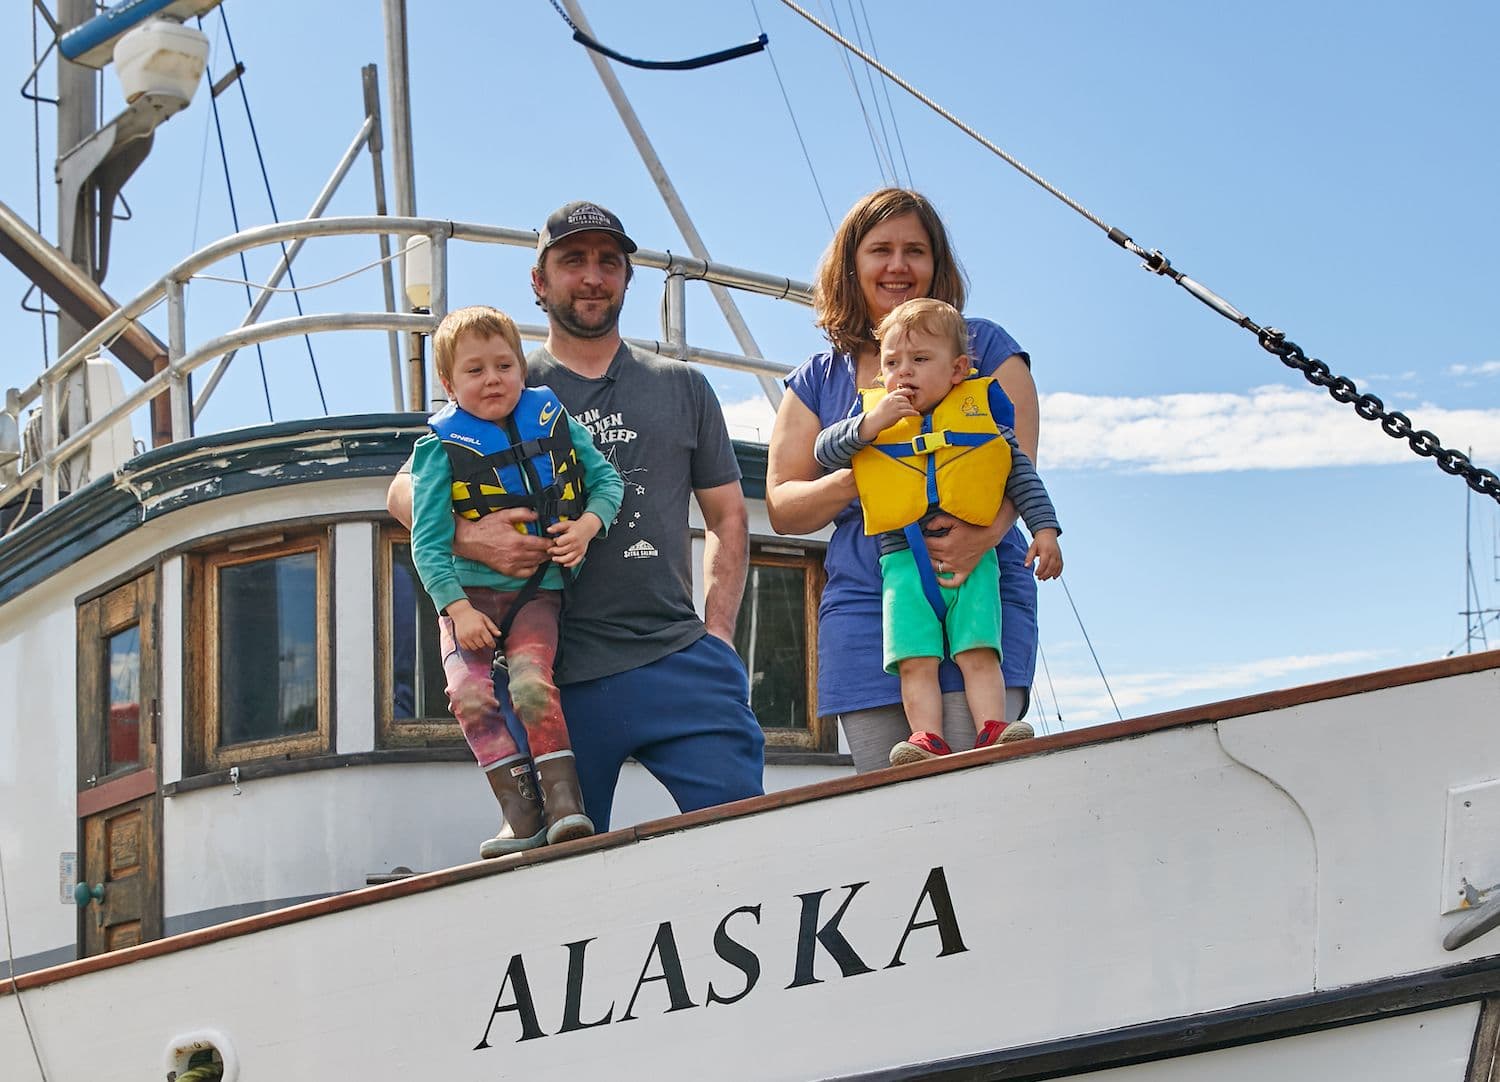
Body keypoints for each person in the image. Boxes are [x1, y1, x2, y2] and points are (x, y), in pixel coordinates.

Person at [388, 200, 765, 831]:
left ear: (625, 278)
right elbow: (400, 494)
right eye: (572, 261)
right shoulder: (500, 377)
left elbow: (728, 517)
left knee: (748, 841)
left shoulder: (684, 387)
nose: (592, 276)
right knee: (561, 873)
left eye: (607, 262)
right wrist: (476, 541)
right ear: (539, 281)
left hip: (677, 655)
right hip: (554, 677)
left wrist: (720, 636)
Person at [766, 188, 1045, 772]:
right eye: (880, 250)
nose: (898, 266)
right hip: (871, 602)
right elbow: (785, 507)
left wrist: (982, 538)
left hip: (977, 583)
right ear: (852, 265)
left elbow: (1018, 466)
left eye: (915, 250)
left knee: (981, 776)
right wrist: (864, 475)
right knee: (890, 788)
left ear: (936, 264)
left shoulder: (986, 346)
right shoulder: (817, 379)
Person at [410, 304, 623, 857]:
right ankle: (520, 813)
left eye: (504, 365)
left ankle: (566, 808)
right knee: (470, 696)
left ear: (522, 370)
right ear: (448, 383)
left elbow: (607, 482)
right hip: (468, 599)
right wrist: (456, 609)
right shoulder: (438, 448)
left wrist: (587, 525)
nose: (492, 380)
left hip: (539, 593)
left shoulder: (554, 420)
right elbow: (428, 541)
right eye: (474, 370)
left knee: (531, 683)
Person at [813, 298, 1061, 765]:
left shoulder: (984, 424)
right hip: (901, 564)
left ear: (958, 370)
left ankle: (994, 728)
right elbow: (824, 452)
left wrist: (1044, 532)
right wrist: (870, 424)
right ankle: (925, 738)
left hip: (974, 566)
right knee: (915, 659)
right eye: (892, 363)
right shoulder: (871, 421)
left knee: (979, 649)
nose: (904, 372)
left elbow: (1022, 478)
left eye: (921, 360)